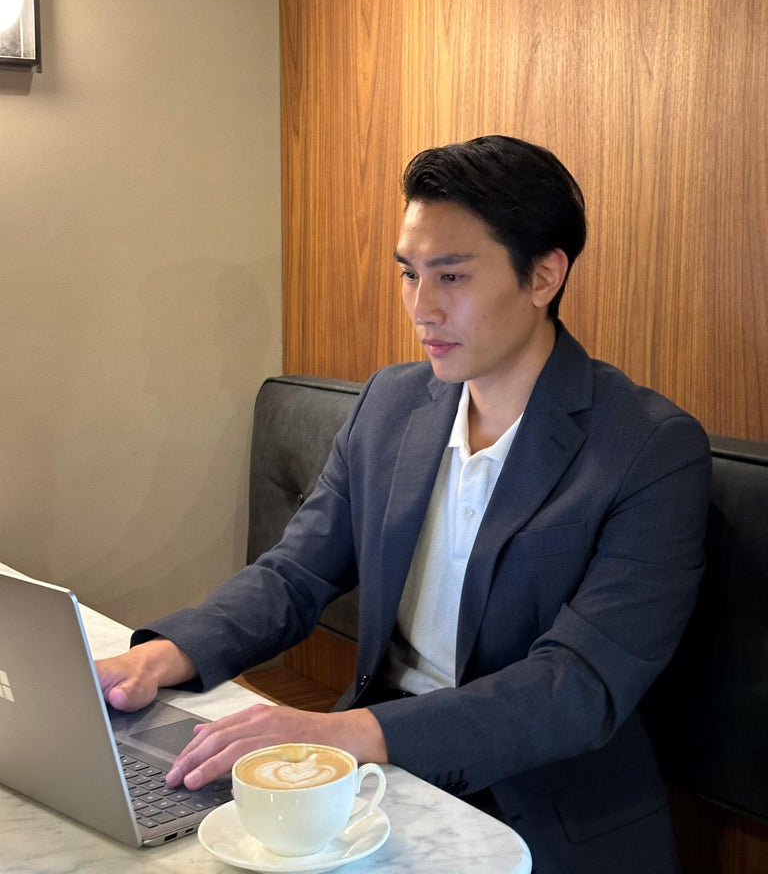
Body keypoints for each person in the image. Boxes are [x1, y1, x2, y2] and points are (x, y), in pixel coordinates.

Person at [97, 136, 711, 873]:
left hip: (543, 809)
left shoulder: (650, 447)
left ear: (544, 275)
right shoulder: (391, 404)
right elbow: (296, 574)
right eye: (409, 274)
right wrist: (169, 653)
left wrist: (350, 734)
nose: (421, 308)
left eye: (450, 275)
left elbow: (575, 688)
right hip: (378, 777)